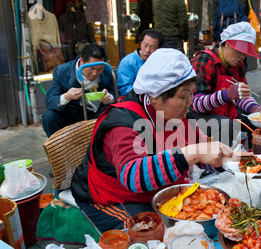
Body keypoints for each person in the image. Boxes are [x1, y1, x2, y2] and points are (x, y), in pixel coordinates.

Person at [71, 48, 237, 232]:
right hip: (112, 197)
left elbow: (203, 149)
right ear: (155, 96)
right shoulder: (124, 121)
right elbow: (133, 176)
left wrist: (231, 161)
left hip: (159, 191)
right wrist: (195, 153)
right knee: (149, 232)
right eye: (183, 96)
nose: (190, 102)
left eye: (191, 94)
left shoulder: (181, 114)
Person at [190, 22, 261, 147]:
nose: (242, 56)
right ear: (227, 44)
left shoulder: (238, 64)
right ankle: (221, 164)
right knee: (224, 124)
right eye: (239, 51)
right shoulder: (204, 60)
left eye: (245, 52)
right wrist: (227, 94)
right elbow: (197, 104)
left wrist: (254, 109)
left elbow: (242, 95)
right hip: (197, 115)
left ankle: (255, 160)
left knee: (256, 123)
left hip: (224, 109)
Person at [42, 44, 116, 137]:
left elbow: (116, 93)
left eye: (99, 69)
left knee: (114, 112)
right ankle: (60, 148)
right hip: (71, 113)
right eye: (91, 68)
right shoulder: (62, 71)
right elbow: (50, 101)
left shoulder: (106, 71)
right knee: (49, 117)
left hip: (96, 113)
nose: (95, 73)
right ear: (81, 61)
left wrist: (110, 98)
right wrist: (66, 97)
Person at [116, 29, 164, 97]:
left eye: (152, 47)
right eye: (145, 45)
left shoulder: (161, 62)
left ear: (159, 49)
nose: (147, 50)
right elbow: (124, 89)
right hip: (135, 101)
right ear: (140, 43)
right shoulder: (127, 62)